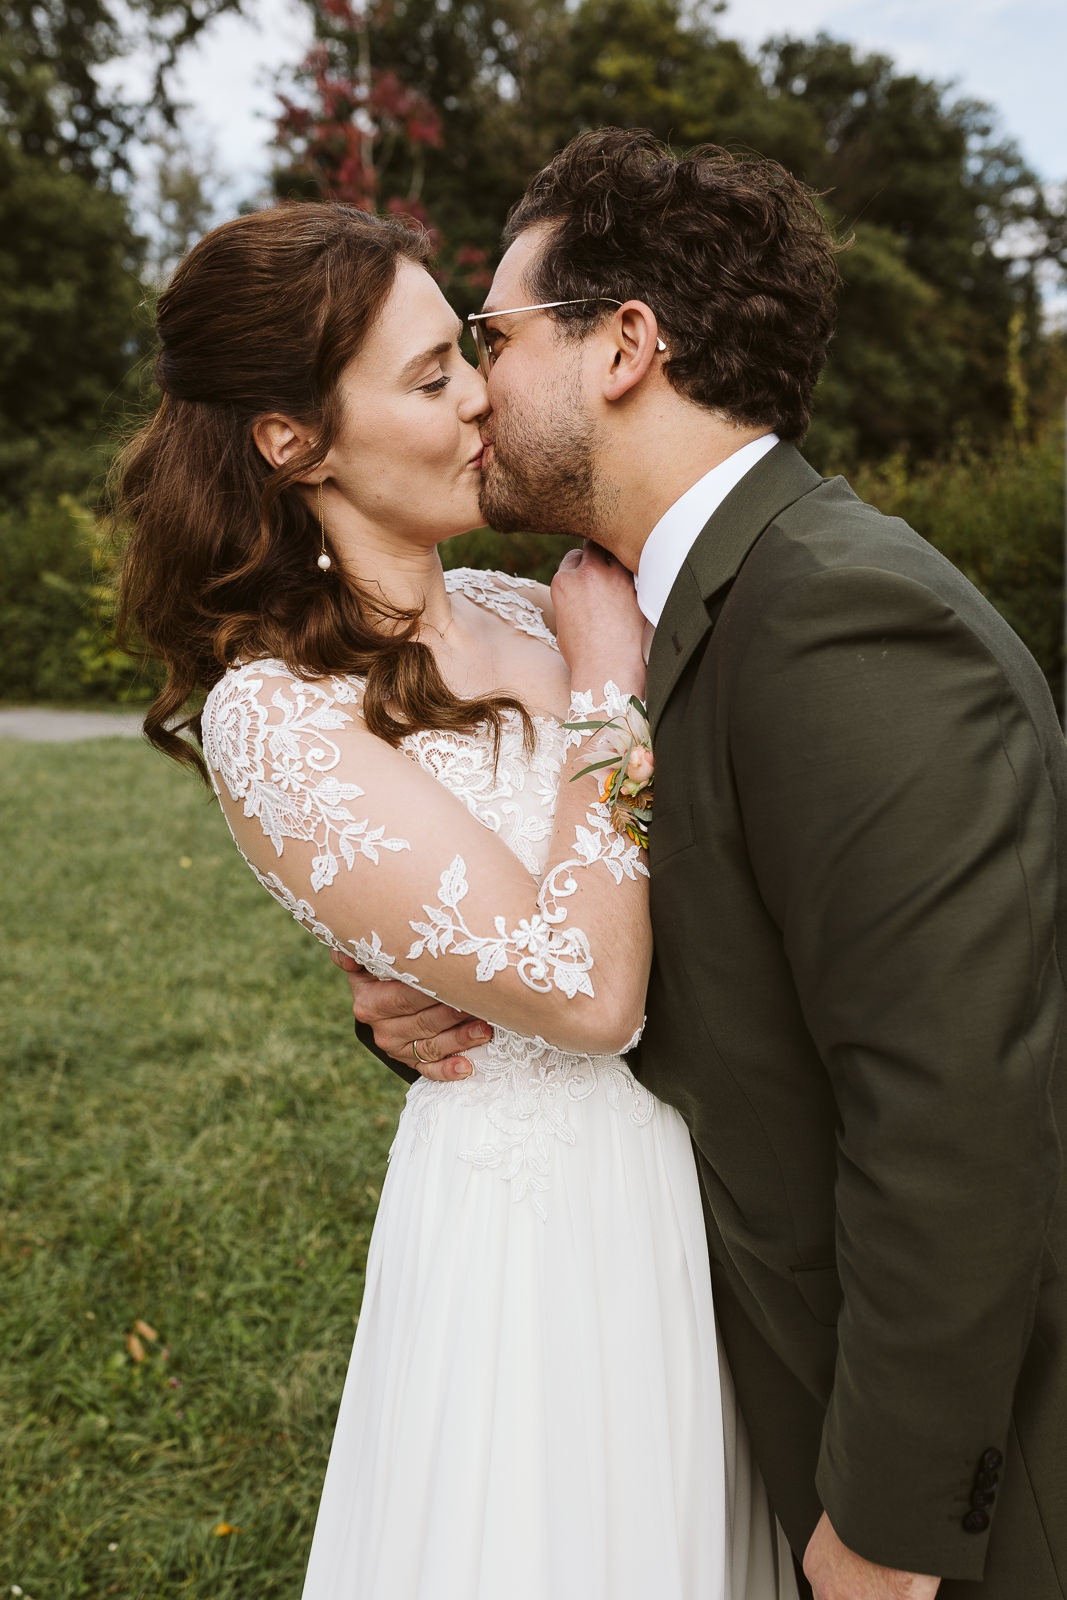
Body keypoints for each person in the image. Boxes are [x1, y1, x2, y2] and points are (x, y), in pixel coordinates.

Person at [344, 130, 1067, 1599]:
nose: (475, 387)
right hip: (696, 1398)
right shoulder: (626, 609)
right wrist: (432, 996)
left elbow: (957, 1122)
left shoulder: (841, 619)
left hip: (934, 1507)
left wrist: (885, 1537)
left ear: (625, 345)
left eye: (493, 335)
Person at [114, 200, 799, 1599]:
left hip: (717, 1205)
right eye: (429, 377)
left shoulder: (518, 604)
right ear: (289, 438)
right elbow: (588, 994)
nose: (483, 391)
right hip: (544, 1244)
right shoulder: (279, 715)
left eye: (465, 353)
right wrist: (611, 691)